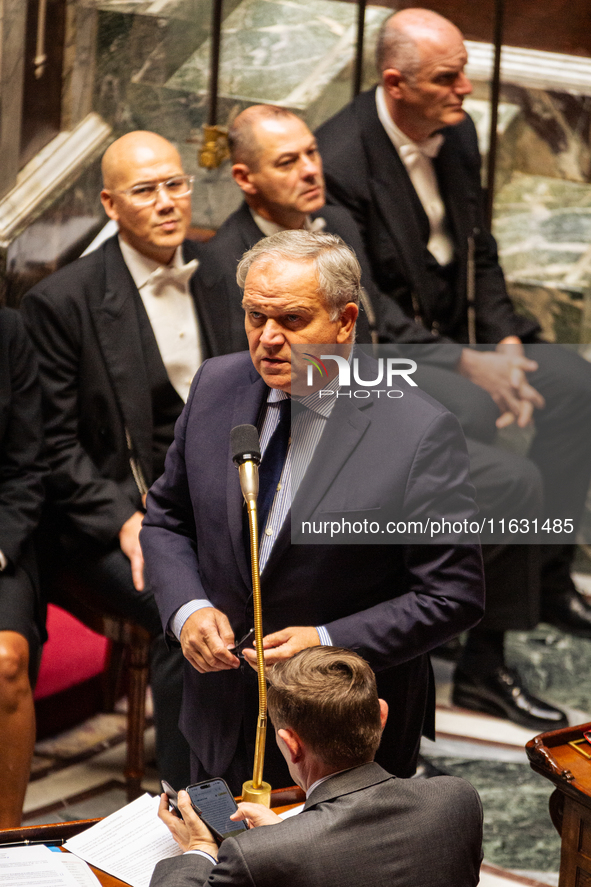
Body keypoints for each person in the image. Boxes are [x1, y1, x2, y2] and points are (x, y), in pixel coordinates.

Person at [316, 7, 591, 730]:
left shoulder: (459, 133)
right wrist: (470, 366)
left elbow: (481, 250)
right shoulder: (339, 163)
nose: (465, 90)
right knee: (471, 415)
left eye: (464, 72)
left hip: (462, 339)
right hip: (397, 354)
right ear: (394, 82)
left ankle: (547, 573)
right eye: (448, 78)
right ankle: (481, 660)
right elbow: (365, 313)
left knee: (571, 384)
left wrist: (502, 341)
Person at [141, 229, 485, 793]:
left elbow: (452, 595)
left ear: (346, 320)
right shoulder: (215, 385)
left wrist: (328, 640)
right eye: (255, 317)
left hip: (337, 737)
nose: (268, 340)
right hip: (217, 710)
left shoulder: (419, 432)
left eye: (293, 321)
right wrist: (188, 609)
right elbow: (167, 518)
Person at [20, 130, 220, 787]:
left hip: (211, 497)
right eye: (145, 190)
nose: (167, 202)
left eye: (176, 184)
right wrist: (126, 522)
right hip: (105, 515)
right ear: (110, 204)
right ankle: (194, 804)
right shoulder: (63, 302)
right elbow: (53, 449)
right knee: (184, 611)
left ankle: (276, 776)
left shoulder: (220, 273)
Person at [151, 647, 483, 887]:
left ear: (290, 744)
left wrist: (201, 850)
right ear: (381, 716)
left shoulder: (255, 855)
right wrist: (278, 837)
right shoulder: (458, 799)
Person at [194, 103, 432, 352]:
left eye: (311, 152)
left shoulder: (338, 222)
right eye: (287, 162)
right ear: (244, 177)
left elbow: (373, 308)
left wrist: (456, 358)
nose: (310, 170)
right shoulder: (223, 264)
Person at [0, 308, 46, 827]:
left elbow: (27, 466)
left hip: (2, 536)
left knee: (6, 660)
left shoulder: (10, 329)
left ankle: (7, 838)